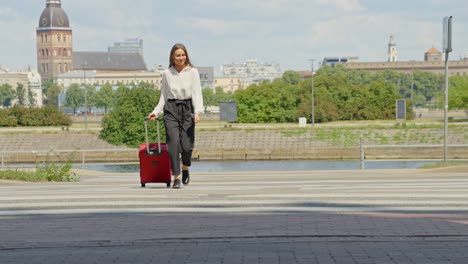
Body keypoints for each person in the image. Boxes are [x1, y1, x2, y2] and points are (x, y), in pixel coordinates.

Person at [148, 43, 204, 189]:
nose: (181, 58)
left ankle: (185, 167)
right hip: (171, 109)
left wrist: (197, 111)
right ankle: (176, 177)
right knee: (173, 145)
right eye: (178, 55)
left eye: (183, 55)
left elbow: (197, 92)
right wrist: (156, 111)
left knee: (186, 146)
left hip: (187, 108)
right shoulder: (167, 73)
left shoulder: (193, 72)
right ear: (172, 57)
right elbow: (164, 95)